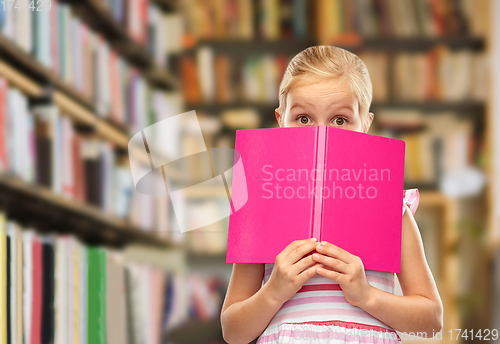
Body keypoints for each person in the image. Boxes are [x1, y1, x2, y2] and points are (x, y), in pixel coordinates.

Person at [220, 46, 443, 343]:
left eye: (340, 120)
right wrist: (273, 291)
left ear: (365, 124)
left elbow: (431, 322)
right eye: (303, 118)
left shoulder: (391, 207)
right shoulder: (260, 205)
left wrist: (366, 295)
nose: (321, 135)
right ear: (280, 120)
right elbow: (233, 332)